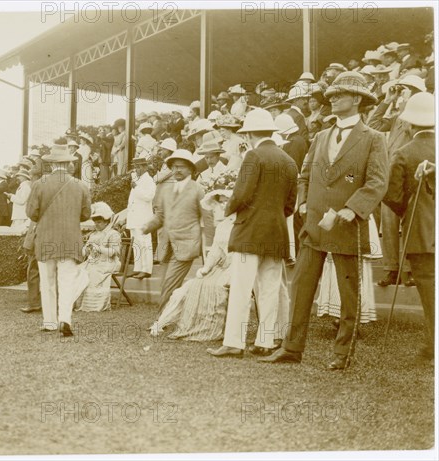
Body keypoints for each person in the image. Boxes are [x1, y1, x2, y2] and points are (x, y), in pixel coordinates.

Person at [260, 71, 388, 370]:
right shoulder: (320, 136)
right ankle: (292, 348)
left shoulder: (374, 139)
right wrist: (303, 201)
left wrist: (353, 208)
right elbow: (305, 174)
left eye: (338, 95)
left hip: (347, 225)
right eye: (330, 96)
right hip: (314, 223)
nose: (331, 99)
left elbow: (377, 181)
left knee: (348, 294)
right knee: (301, 288)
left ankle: (343, 354)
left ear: (357, 100)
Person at [207, 108, 297, 358]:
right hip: (276, 231)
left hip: (249, 231)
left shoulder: (252, 156)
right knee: (269, 289)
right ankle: (265, 342)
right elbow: (290, 204)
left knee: (241, 287)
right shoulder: (289, 161)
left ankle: (234, 342)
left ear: (248, 135)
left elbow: (241, 194)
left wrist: (228, 209)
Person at [384, 92, 435, 361]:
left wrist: (408, 210)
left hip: (420, 231)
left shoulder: (404, 153)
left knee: (429, 290)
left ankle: (433, 344)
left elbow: (392, 196)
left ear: (409, 124)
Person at [150, 189, 234, 341]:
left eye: (226, 201)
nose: (222, 206)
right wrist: (206, 268)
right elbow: (215, 251)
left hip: (237, 269)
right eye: (220, 202)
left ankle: (213, 328)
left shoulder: (242, 224)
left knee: (215, 288)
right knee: (187, 288)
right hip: (219, 268)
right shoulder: (222, 226)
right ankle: (163, 322)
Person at [26, 144, 92, 336]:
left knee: (47, 282)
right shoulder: (81, 185)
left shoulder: (39, 184)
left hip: (46, 238)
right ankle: (65, 319)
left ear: (52, 164)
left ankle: (49, 321)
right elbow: (86, 214)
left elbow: (31, 213)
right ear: (68, 163)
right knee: (67, 281)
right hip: (71, 239)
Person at [368, 75, 426, 287]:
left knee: (410, 223)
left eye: (407, 89)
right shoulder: (396, 117)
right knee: (389, 224)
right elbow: (372, 125)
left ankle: (409, 270)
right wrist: (387, 99)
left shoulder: (422, 115)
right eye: (403, 90)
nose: (403, 93)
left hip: (412, 174)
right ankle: (391, 269)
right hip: (391, 175)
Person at [142, 149, 204, 315]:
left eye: (181, 167)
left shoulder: (198, 190)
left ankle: (160, 320)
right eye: (174, 166)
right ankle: (172, 316)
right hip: (166, 245)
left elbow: (207, 219)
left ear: (191, 169)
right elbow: (160, 217)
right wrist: (146, 227)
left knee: (170, 283)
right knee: (165, 283)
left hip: (187, 244)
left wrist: (209, 247)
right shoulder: (165, 190)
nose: (177, 170)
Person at [77, 202, 122, 312]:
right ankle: (78, 303)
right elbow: (85, 252)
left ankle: (94, 305)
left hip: (109, 262)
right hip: (93, 261)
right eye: (95, 222)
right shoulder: (94, 234)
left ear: (107, 222)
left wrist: (98, 248)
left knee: (92, 272)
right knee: (78, 270)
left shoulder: (113, 234)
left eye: (99, 222)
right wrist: (86, 250)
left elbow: (115, 252)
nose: (97, 225)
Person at [126, 157, 156, 280]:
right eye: (136, 167)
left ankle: (146, 269)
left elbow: (149, 196)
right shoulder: (137, 180)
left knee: (144, 243)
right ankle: (138, 268)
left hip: (143, 217)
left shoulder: (149, 180)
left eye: (138, 167)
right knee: (136, 243)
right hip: (135, 217)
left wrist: (136, 187)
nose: (136, 169)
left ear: (144, 167)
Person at [20, 164, 44, 313]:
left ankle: (35, 302)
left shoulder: (38, 189)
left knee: (34, 270)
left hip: (38, 235)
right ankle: (37, 302)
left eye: (33, 177)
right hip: (38, 233)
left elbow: (32, 214)